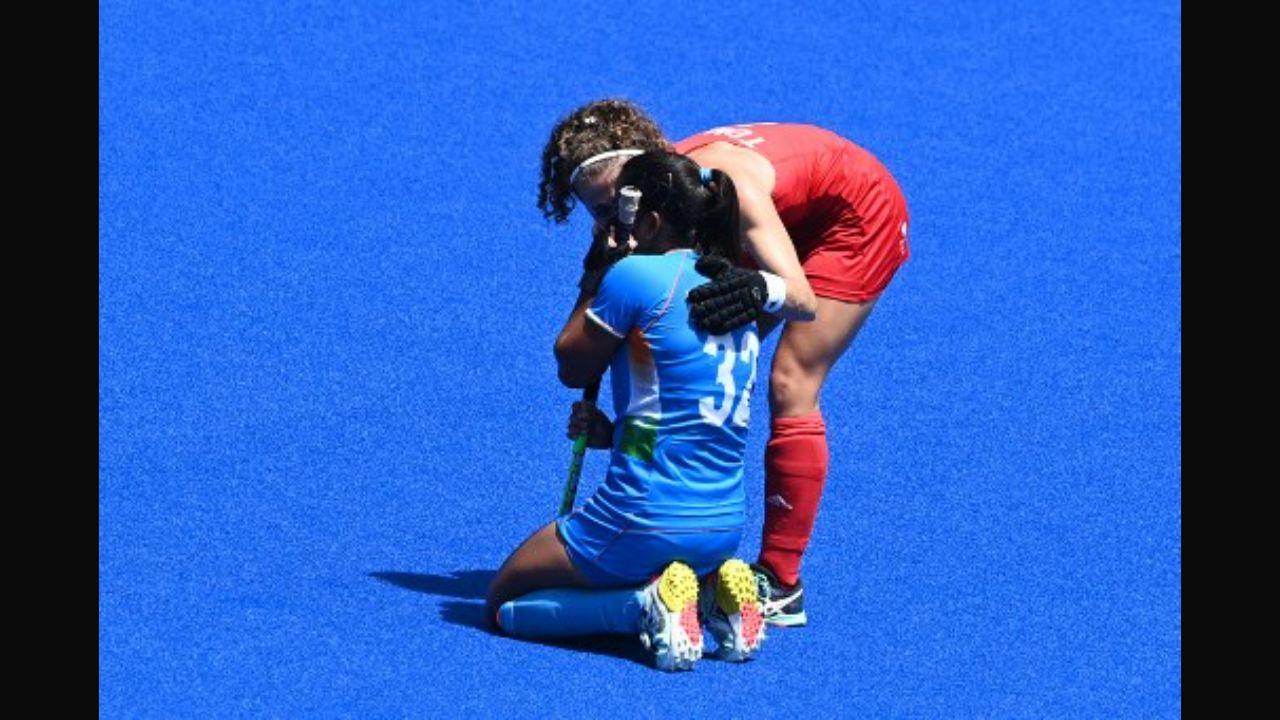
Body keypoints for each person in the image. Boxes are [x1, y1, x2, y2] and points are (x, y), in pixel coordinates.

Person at [538, 99, 912, 627]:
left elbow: (800, 299)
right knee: (688, 353)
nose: (608, 224)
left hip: (852, 217)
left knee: (789, 381)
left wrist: (760, 285)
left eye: (615, 205)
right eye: (596, 212)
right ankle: (669, 524)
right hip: (779, 217)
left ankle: (782, 584)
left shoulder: (725, 185)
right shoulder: (646, 203)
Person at [486, 150, 766, 671]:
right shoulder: (732, 289)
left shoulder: (636, 276)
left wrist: (600, 268)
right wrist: (614, 435)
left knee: (502, 602)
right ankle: (716, 594)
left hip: (644, 518)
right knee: (653, 556)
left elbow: (571, 363)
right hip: (724, 524)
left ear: (652, 221)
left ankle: (644, 605)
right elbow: (690, 423)